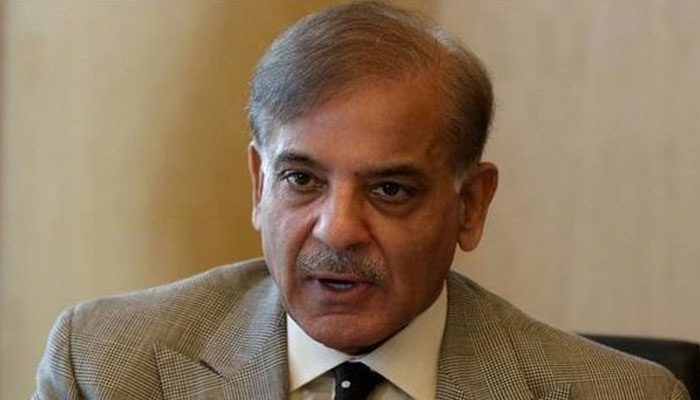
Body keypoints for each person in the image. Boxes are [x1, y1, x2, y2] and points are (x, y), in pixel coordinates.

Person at [34, 2, 689, 399]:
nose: (338, 229)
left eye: (389, 190)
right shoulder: (105, 365)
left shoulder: (624, 395)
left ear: (470, 206)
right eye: (301, 180)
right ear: (260, 184)